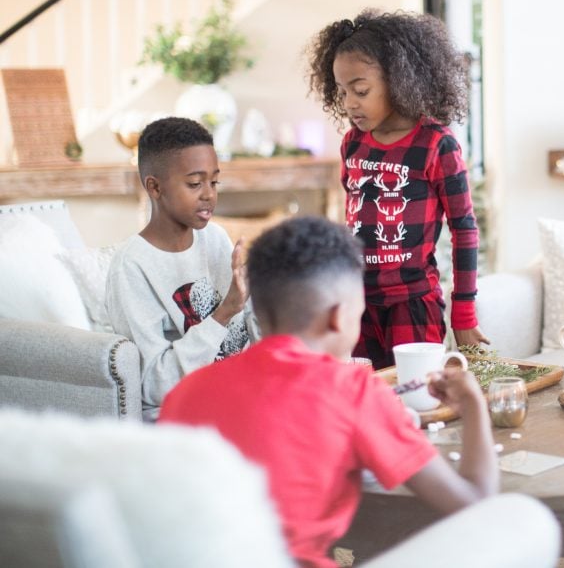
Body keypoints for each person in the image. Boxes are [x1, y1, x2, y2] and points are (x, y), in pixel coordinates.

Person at [159, 217, 498, 568]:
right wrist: (472, 404)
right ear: (338, 317)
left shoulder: (184, 392)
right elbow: (475, 502)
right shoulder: (353, 390)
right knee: (526, 520)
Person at [306, 9, 488, 369]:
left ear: (400, 80)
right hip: (357, 301)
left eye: (360, 90)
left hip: (413, 302)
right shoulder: (353, 144)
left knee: (417, 397)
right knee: (362, 396)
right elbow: (352, 221)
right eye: (342, 92)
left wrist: (463, 313)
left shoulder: (436, 145)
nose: (349, 103)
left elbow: (464, 231)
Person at [106, 117, 250, 422]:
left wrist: (261, 296)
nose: (209, 194)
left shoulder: (215, 239)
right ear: (155, 188)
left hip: (239, 397)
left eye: (214, 182)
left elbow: (247, 338)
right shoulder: (132, 268)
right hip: (183, 416)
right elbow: (152, 387)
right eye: (195, 184)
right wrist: (224, 313)